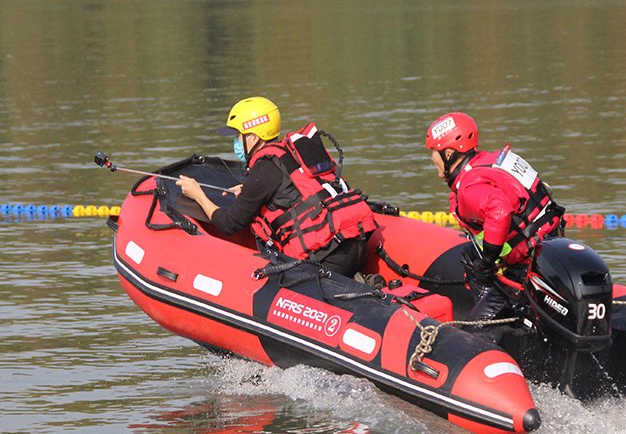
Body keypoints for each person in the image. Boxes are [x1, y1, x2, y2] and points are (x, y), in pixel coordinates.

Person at [177, 96, 377, 277]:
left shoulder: (264, 167)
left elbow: (229, 224)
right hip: (356, 244)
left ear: (253, 137)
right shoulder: (288, 154)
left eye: (238, 136)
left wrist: (198, 195)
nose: (236, 142)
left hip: (328, 257)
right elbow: (295, 191)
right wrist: (248, 191)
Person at [425, 111, 564, 322]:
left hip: (527, 267)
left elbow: (499, 211)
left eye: (434, 152)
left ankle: (503, 316)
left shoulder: (469, 185)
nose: (431, 158)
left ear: (449, 153)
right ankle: (491, 301)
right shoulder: (492, 161)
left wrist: (489, 261)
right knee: (470, 257)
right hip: (551, 246)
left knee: (473, 332)